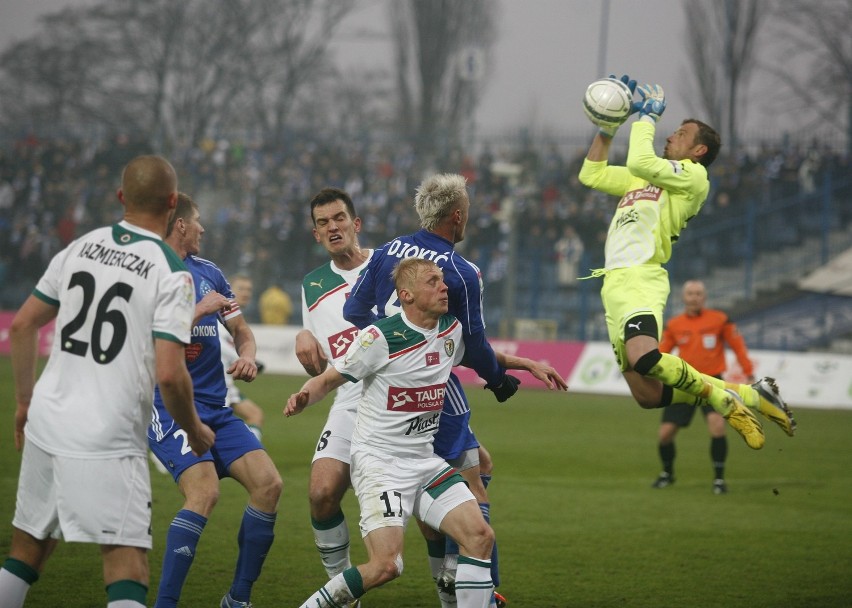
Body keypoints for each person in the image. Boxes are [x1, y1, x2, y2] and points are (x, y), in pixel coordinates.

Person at [286, 257, 566, 608]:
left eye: (443, 280)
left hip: (423, 462)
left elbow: (483, 356)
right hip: (380, 466)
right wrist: (302, 397)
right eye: (433, 281)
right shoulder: (379, 337)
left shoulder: (450, 330)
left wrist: (529, 364)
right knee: (387, 565)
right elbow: (329, 379)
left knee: (480, 537)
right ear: (406, 295)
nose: (444, 286)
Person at [0, 155, 215, 608]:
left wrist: (24, 403)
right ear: (173, 203)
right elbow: (170, 375)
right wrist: (195, 431)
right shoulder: (169, 271)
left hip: (47, 422)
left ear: (122, 197)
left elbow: (21, 328)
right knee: (126, 566)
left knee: (26, 552)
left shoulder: (80, 246)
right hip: (108, 435)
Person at [343, 172, 563, 607]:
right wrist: (499, 382)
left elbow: (355, 310)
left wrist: (396, 348)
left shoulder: (389, 251)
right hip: (433, 389)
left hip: (390, 389)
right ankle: (474, 591)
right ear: (457, 216)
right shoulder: (460, 273)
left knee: (473, 468)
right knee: (473, 486)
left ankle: (453, 580)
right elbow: (475, 344)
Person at [577, 75, 796, 452]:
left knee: (645, 357)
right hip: (613, 284)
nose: (669, 136)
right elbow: (591, 173)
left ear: (698, 151)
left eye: (680, 133)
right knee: (647, 395)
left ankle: (722, 399)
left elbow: (641, 158)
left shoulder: (694, 178)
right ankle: (754, 395)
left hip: (642, 276)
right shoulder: (640, 178)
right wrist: (608, 128)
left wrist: (646, 117)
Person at [148, 193, 283, 608]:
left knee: (269, 485)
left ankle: (238, 599)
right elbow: (141, 342)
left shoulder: (211, 273)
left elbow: (241, 329)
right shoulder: (150, 272)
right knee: (204, 494)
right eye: (198, 220)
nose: (204, 228)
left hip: (218, 410)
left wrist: (246, 354)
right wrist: (197, 311)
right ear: (182, 225)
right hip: (169, 408)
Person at [293, 188, 372, 600]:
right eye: (323, 223)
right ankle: (342, 591)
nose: (332, 227)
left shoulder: (387, 264)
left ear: (355, 224)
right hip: (348, 399)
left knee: (432, 513)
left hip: (397, 397)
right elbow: (321, 351)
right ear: (316, 235)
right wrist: (304, 336)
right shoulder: (312, 285)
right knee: (321, 493)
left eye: (339, 218)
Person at [652, 280, 768, 494]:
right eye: (690, 294)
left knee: (717, 428)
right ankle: (667, 474)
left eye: (698, 293)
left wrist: (748, 370)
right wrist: (652, 371)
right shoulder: (674, 324)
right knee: (665, 434)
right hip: (684, 383)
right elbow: (662, 352)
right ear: (683, 297)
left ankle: (719, 480)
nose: (694, 297)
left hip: (712, 381)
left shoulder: (719, 320)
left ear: (704, 297)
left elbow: (737, 345)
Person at [221, 272, 265, 440]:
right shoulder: (218, 316)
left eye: (249, 289)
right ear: (228, 290)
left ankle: (250, 453)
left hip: (226, 384)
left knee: (255, 414)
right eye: (241, 288)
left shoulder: (237, 321)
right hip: (214, 385)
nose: (246, 293)